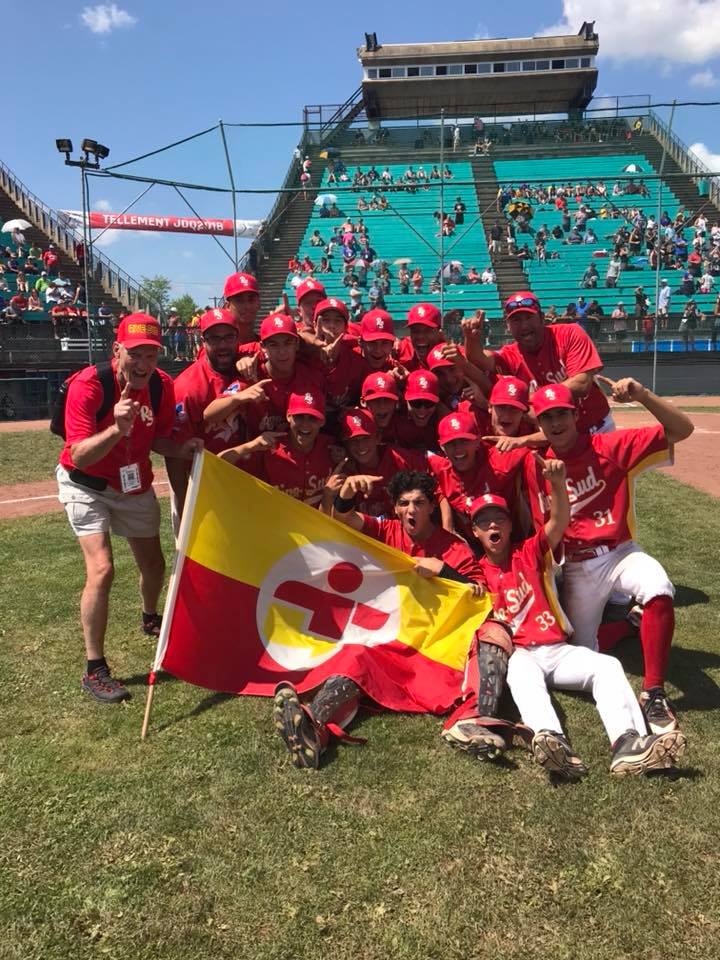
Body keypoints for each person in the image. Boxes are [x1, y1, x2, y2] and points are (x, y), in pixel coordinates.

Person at [473, 467, 685, 779]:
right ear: (475, 531)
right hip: (520, 653)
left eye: (499, 518)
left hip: (558, 649)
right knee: (520, 674)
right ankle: (550, 739)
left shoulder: (529, 551)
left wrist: (558, 484)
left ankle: (629, 743)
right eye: (482, 521)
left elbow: (557, 522)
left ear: (509, 525)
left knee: (608, 666)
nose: (492, 524)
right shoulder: (475, 574)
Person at [271, 470, 486, 769]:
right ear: (396, 508)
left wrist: (443, 570)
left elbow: (479, 595)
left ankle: (309, 725)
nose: (412, 509)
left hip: (426, 648)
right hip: (387, 636)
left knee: (361, 663)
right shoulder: (388, 531)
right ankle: (313, 724)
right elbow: (346, 519)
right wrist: (347, 494)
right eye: (404, 503)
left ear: (432, 506)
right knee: (355, 656)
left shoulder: (453, 547)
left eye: (419, 502)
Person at [524, 378, 694, 735]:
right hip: (578, 567)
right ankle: (629, 626)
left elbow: (683, 429)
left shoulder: (611, 445)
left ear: (576, 414)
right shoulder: (538, 467)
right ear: (538, 424)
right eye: (548, 417)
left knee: (657, 585)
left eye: (562, 415)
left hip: (620, 552)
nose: (556, 424)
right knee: (582, 651)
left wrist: (643, 395)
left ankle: (653, 691)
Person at [56, 315, 202, 703]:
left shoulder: (160, 385)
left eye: (151, 355)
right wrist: (117, 429)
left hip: (133, 483)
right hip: (85, 484)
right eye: (135, 354)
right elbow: (80, 455)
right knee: (102, 569)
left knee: (153, 565)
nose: (143, 364)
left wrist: (185, 447)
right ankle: (95, 668)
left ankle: (150, 617)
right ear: (116, 350)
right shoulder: (89, 385)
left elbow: (161, 441)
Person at [463, 291, 614, 436]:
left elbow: (581, 384)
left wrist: (524, 398)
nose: (524, 325)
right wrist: (471, 338)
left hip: (597, 428)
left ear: (542, 318)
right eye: (516, 320)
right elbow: (479, 360)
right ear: (508, 326)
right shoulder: (511, 354)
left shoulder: (569, 334)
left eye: (529, 317)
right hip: (554, 435)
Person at [223, 272, 261, 343]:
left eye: (251, 299)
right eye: (239, 300)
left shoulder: (269, 348)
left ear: (259, 304)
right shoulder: (220, 350)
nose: (247, 306)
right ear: (227, 306)